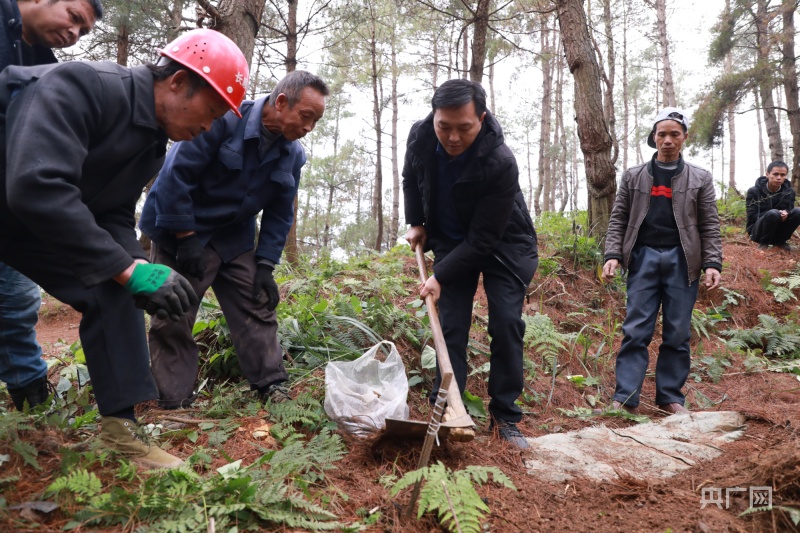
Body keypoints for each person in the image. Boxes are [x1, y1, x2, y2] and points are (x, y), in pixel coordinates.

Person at [0, 28, 250, 468]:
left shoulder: (152, 144)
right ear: (177, 83)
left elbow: (112, 214)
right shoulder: (82, 85)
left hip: (25, 224)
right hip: (23, 203)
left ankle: (121, 432)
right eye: (210, 112)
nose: (209, 127)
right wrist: (127, 267)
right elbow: (36, 185)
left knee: (113, 285)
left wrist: (137, 268)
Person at [139, 70, 328, 409]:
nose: (309, 128)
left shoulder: (293, 155)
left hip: (234, 237)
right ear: (282, 102)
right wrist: (186, 238)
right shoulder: (224, 119)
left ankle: (271, 385)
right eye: (306, 117)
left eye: (315, 121)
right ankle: (174, 400)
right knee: (175, 310)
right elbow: (174, 176)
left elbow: (280, 212)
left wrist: (266, 264)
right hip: (180, 228)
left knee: (255, 304)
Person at [402, 79, 538, 449]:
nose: (453, 137)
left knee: (507, 324)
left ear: (481, 117)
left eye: (464, 128)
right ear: (434, 117)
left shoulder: (500, 160)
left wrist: (439, 275)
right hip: (450, 236)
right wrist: (416, 220)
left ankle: (506, 416)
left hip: (503, 244)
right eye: (444, 126)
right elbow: (411, 177)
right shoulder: (421, 135)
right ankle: (447, 406)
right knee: (451, 325)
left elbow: (483, 241)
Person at [0, 0, 103, 412]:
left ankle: (29, 393)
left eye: (84, 31)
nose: (75, 33)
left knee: (18, 298)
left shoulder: (45, 61)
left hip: (11, 205)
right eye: (74, 17)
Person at [601, 107, 722, 415]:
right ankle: (625, 397)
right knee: (636, 330)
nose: (667, 140)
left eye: (674, 135)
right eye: (662, 135)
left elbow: (709, 224)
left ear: (684, 138)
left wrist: (712, 263)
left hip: (683, 262)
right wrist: (613, 254)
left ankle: (670, 397)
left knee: (678, 332)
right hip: (643, 259)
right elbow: (618, 219)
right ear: (653, 138)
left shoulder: (700, 178)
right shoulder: (634, 176)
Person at [746, 160, 800, 251]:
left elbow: (790, 209)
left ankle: (781, 242)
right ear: (767, 174)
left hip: (779, 229)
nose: (779, 178)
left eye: (782, 175)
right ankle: (763, 244)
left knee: (798, 211)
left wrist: (786, 213)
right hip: (758, 230)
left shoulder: (789, 192)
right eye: (775, 174)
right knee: (773, 213)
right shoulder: (754, 191)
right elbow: (752, 216)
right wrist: (775, 214)